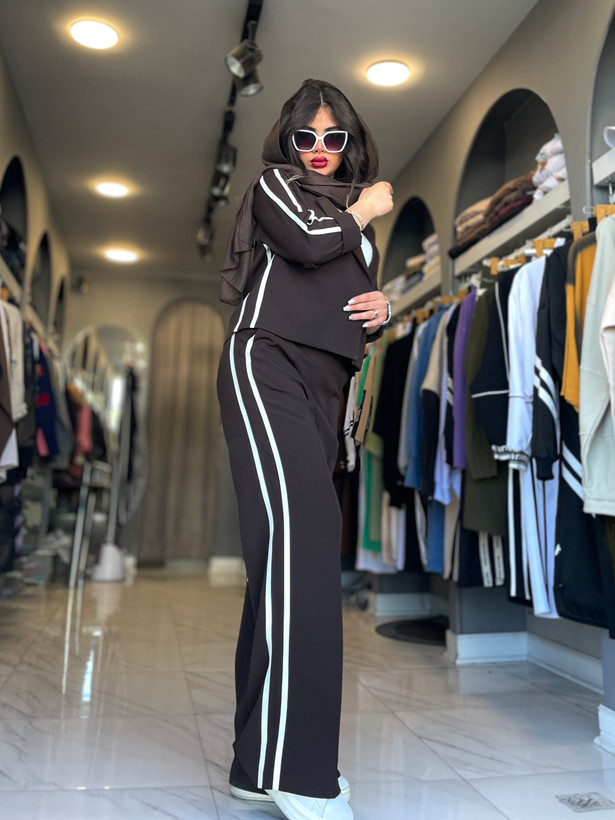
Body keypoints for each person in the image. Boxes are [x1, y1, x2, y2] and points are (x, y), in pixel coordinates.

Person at [217, 78, 393, 820]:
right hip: (267, 363)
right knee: (306, 550)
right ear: (287, 143)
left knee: (284, 563)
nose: (319, 151)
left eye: (334, 138)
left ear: (351, 142)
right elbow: (309, 243)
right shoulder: (276, 189)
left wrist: (383, 308)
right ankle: (298, 770)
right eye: (306, 137)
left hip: (326, 389)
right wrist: (365, 209)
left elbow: (345, 300)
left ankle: (255, 765)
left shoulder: (356, 219)